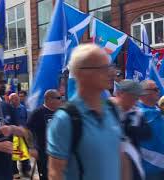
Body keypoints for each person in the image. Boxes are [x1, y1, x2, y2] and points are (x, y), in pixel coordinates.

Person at [47, 44, 124, 180]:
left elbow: (122, 160)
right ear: (83, 73)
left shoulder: (113, 110)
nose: (112, 72)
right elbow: (55, 174)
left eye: (110, 67)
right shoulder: (65, 119)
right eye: (104, 68)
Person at [112, 79, 152, 180]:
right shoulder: (109, 110)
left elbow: (147, 133)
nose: (136, 100)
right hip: (112, 165)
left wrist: (131, 129)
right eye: (133, 96)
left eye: (137, 96)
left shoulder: (137, 113)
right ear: (121, 94)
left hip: (133, 165)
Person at [27, 89, 64, 180]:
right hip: (44, 152)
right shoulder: (37, 113)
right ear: (49, 99)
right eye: (58, 98)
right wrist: (31, 148)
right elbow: (27, 131)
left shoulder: (61, 112)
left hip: (60, 152)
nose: (61, 100)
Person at [138, 80, 164, 180]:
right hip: (149, 168)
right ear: (143, 92)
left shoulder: (157, 110)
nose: (159, 91)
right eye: (155, 89)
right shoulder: (139, 112)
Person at [8, 93, 31, 178]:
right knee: (13, 154)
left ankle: (25, 170)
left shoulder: (23, 108)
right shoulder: (8, 109)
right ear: (10, 100)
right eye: (13, 99)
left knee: (24, 152)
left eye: (17, 98)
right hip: (12, 135)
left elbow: (25, 119)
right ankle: (15, 172)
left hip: (23, 133)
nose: (16, 100)